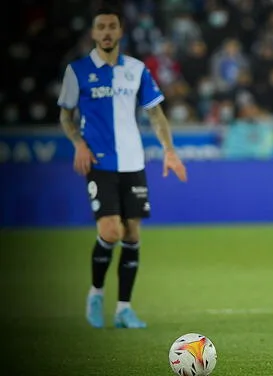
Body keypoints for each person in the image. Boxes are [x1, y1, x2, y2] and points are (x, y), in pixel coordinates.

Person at [57, 6, 187, 329]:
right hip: (100, 162)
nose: (106, 32)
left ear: (120, 31)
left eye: (111, 27)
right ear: (92, 32)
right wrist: (79, 143)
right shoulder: (77, 71)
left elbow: (156, 114)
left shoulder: (137, 70)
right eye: (100, 27)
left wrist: (169, 151)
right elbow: (65, 115)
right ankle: (96, 293)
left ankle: (123, 310)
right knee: (110, 230)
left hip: (133, 162)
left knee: (131, 233)